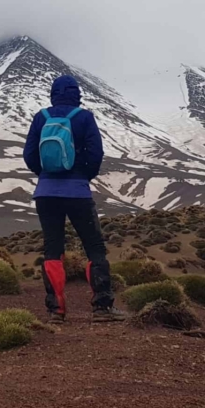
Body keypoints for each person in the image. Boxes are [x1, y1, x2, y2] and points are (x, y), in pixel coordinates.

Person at [23, 74, 124, 323]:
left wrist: (45, 174)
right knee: (94, 247)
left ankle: (55, 310)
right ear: (77, 94)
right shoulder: (84, 118)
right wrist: (83, 175)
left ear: (53, 94)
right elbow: (96, 154)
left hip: (46, 193)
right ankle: (102, 307)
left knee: (53, 248)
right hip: (77, 192)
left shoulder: (41, 117)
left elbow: (29, 155)